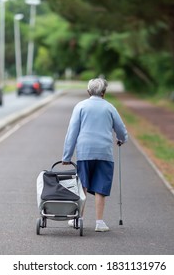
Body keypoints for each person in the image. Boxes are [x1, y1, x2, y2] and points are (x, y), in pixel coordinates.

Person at [62, 78, 128, 232]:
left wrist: (67, 156)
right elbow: (120, 128)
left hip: (85, 151)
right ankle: (99, 222)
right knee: (101, 187)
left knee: (83, 185)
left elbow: (72, 132)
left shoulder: (80, 106)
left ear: (88, 92)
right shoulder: (110, 107)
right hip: (104, 152)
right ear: (104, 93)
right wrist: (122, 139)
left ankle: (79, 219)